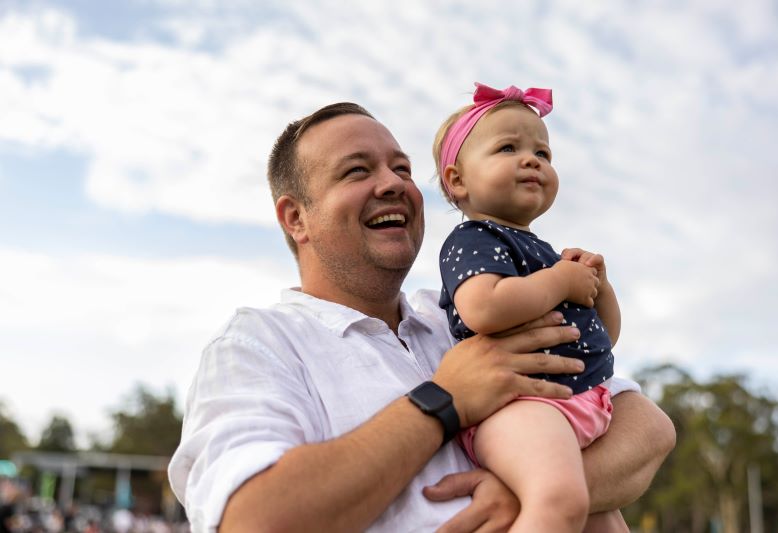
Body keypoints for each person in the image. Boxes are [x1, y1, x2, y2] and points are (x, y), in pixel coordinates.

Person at [167, 101, 676, 533]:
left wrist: (523, 490)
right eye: (357, 170)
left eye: (403, 169)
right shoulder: (258, 343)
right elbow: (254, 520)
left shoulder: (459, 315)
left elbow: (643, 427)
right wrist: (443, 401)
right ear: (296, 217)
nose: (393, 184)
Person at [434, 82, 632, 532]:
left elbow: (604, 338)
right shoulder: (474, 241)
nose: (531, 160)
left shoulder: (542, 252)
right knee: (559, 500)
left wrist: (600, 287)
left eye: (543, 154)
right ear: (458, 181)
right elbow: (483, 308)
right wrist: (560, 280)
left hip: (576, 402)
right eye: (508, 147)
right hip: (521, 407)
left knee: (605, 521)